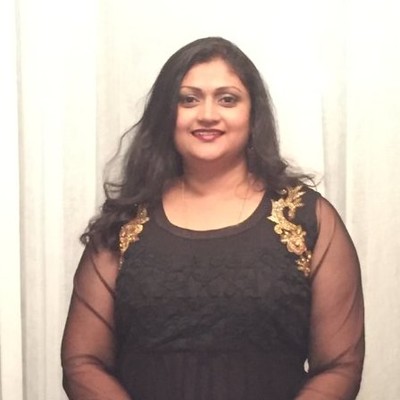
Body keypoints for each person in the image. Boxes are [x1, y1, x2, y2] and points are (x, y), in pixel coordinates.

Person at [61, 37, 364, 400]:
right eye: (188, 99)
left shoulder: (307, 219)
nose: (207, 114)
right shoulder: (125, 221)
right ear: (165, 114)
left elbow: (340, 366)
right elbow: (82, 362)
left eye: (227, 99)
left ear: (253, 115)